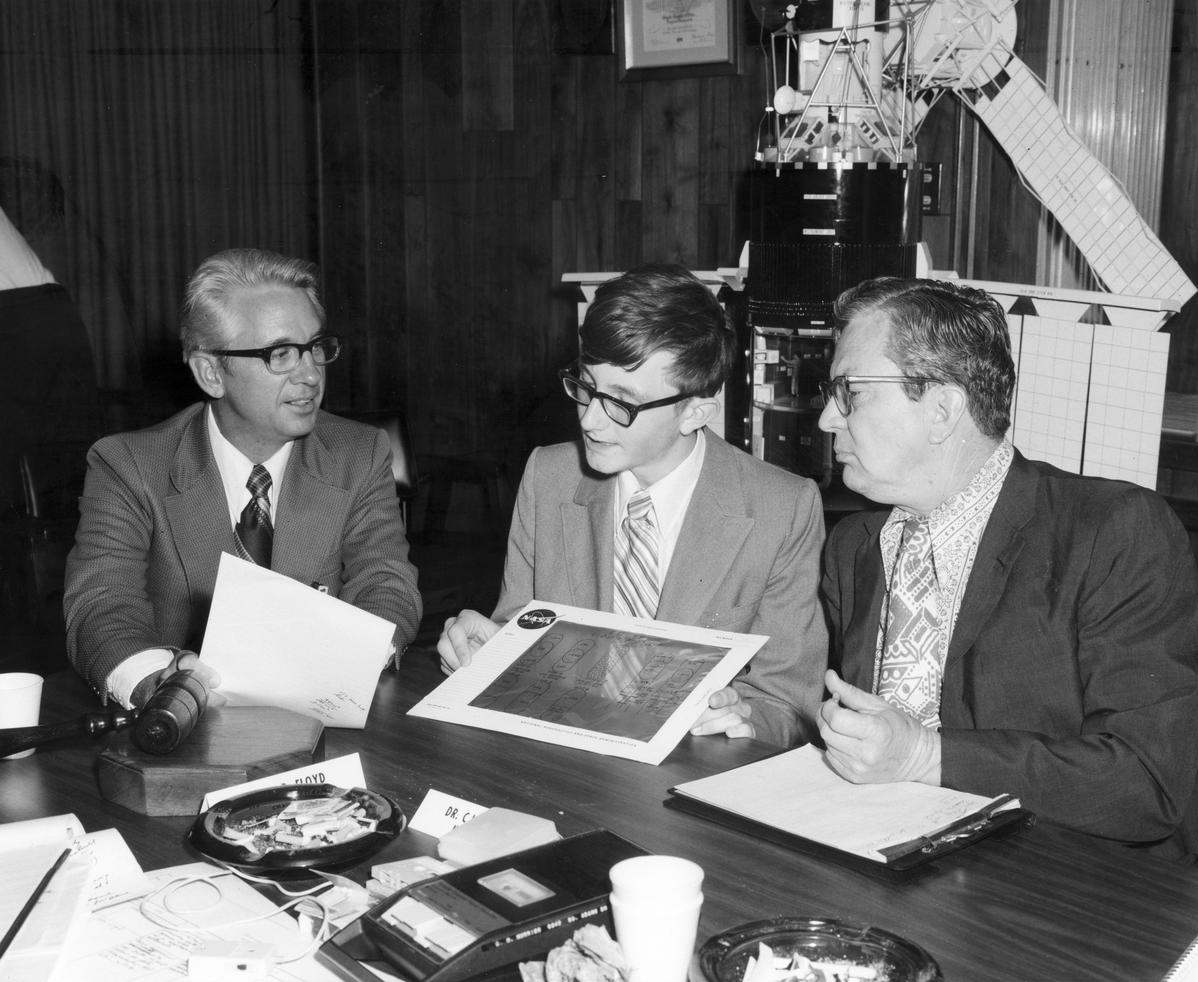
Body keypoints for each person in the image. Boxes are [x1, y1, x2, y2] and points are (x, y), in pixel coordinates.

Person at [816, 275, 1198, 863]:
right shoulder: (854, 546)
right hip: (893, 862)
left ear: (943, 409)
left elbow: (1143, 782)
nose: (828, 418)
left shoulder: (1112, 531)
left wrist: (926, 757)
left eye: (849, 391)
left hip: (1074, 882)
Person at [438, 263, 827, 747]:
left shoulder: (782, 508)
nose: (590, 421)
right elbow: (519, 631)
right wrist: (483, 650)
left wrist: (746, 717)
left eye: (621, 403)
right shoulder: (548, 477)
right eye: (585, 387)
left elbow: (790, 702)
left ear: (695, 412)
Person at [64, 247, 422, 708]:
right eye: (281, 354)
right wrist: (162, 685)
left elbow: (386, 583)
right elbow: (100, 604)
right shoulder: (129, 464)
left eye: (315, 348)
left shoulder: (359, 453)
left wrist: (350, 661)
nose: (311, 374)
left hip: (322, 712)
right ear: (211, 372)